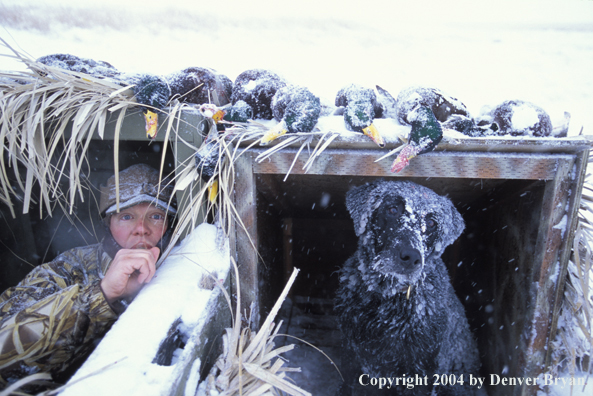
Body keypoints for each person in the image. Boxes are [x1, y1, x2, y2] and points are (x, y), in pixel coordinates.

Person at [0, 164, 177, 387]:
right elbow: (5, 350)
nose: (141, 228)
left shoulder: (181, 264)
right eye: (126, 216)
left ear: (169, 224)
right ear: (108, 223)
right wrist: (102, 294)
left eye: (156, 216)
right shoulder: (70, 267)